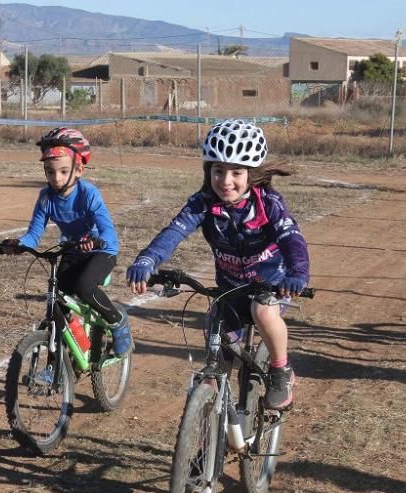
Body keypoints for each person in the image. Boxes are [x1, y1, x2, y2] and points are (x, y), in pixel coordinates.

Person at [126, 119, 310, 409]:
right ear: (207, 170)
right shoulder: (203, 202)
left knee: (263, 311)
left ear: (252, 174)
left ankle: (280, 370)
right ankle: (207, 419)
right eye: (218, 171)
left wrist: (298, 273)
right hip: (230, 289)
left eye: (236, 172)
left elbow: (292, 239)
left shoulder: (269, 204)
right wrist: (147, 259)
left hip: (270, 283)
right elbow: (174, 232)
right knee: (216, 338)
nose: (226, 181)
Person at [0, 127, 132, 355]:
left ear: (78, 169)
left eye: (63, 171)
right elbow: (33, 235)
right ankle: (81, 348)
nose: (55, 178)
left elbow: (108, 231)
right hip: (72, 250)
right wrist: (18, 244)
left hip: (101, 251)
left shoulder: (88, 194)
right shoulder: (46, 198)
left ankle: (117, 320)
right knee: (58, 303)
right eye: (50, 172)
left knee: (83, 287)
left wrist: (96, 240)